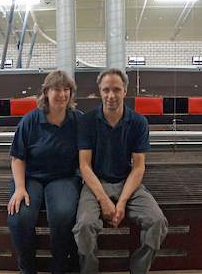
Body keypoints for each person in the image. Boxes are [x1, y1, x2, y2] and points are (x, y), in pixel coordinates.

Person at [73, 68, 168, 274]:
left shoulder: (138, 122)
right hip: (96, 183)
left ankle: (139, 269)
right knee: (84, 227)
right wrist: (104, 200)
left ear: (125, 90)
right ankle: (89, 270)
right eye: (106, 89)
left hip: (128, 183)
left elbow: (138, 167)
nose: (111, 95)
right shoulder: (87, 121)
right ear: (99, 91)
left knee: (157, 222)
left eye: (116, 89)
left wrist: (122, 202)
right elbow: (84, 166)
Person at [7, 70, 82, 274]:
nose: (62, 94)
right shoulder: (30, 120)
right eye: (56, 89)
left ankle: (59, 264)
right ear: (46, 92)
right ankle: (27, 266)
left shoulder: (77, 120)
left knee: (63, 214)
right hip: (30, 178)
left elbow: (88, 154)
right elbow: (17, 157)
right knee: (19, 217)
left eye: (66, 89)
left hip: (64, 177)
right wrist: (20, 188)